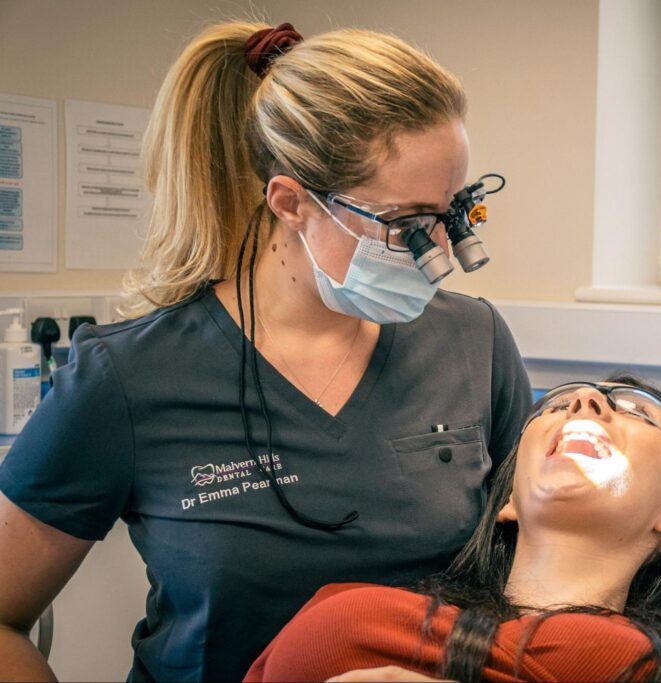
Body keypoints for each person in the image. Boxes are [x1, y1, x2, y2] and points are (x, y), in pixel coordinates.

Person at [0, 20, 532, 682]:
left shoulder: (472, 342)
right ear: (292, 203)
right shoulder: (127, 377)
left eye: (455, 214)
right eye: (407, 227)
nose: (442, 255)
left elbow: (537, 580)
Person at [245, 376, 661, 682]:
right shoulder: (354, 621)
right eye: (555, 405)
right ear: (506, 502)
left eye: (636, 411)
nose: (585, 402)